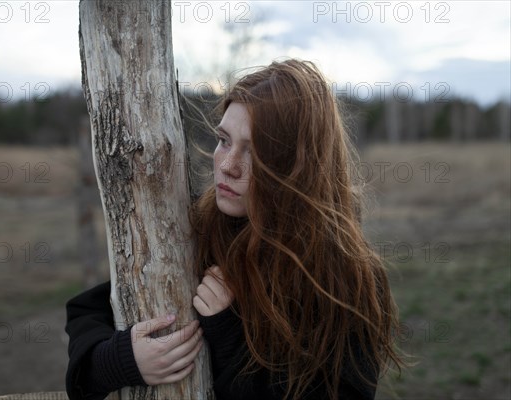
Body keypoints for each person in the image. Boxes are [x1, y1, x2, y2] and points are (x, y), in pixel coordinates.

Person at [65, 59, 402, 400]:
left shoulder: (344, 278)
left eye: (254, 152)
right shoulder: (196, 230)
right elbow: (86, 311)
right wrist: (119, 360)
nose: (227, 166)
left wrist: (229, 338)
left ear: (298, 166)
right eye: (224, 140)